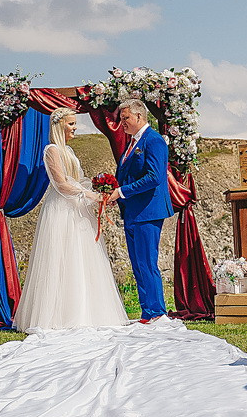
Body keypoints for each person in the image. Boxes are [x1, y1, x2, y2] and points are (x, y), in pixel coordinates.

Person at [13, 107, 129, 331]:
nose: (75, 128)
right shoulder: (52, 150)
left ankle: (86, 311)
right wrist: (91, 195)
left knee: (81, 258)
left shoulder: (69, 151)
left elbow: (77, 180)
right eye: (71, 124)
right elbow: (61, 184)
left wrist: (98, 192)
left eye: (75, 123)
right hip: (61, 209)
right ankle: (58, 315)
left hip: (76, 207)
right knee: (61, 258)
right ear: (59, 125)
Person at [109, 98, 173, 323]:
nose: (121, 123)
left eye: (125, 118)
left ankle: (157, 311)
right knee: (138, 264)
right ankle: (147, 311)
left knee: (147, 262)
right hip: (133, 212)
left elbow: (154, 177)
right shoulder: (133, 142)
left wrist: (122, 191)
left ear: (139, 116)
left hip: (148, 211)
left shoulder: (153, 140)